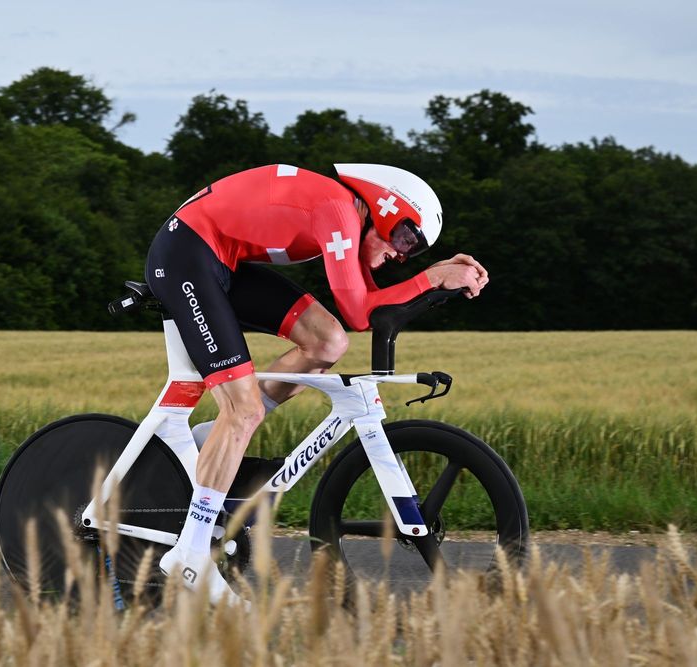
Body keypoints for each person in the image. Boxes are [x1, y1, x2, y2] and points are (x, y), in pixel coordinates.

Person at [144, 163, 489, 604]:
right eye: (406, 238)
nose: (403, 255)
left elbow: (358, 315)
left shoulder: (345, 214)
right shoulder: (339, 210)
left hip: (217, 260)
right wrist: (433, 277)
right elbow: (360, 309)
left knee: (327, 341)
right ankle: (189, 555)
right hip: (186, 256)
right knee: (242, 409)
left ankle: (214, 440)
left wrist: (435, 277)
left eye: (414, 250)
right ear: (385, 207)